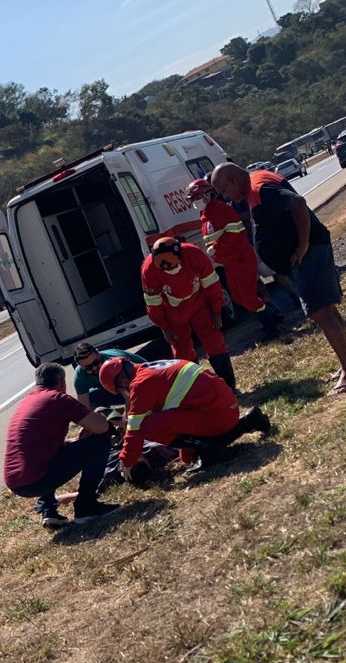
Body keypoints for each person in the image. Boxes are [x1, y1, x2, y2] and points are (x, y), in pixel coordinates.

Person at [210, 162, 346, 394]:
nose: (225, 197)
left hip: (308, 254)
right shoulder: (257, 181)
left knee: (319, 311)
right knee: (326, 310)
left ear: (233, 179)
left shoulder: (259, 189)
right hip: (305, 255)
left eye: (223, 190)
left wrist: (303, 244)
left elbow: (297, 203)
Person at [99, 356, 271, 474]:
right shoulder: (150, 370)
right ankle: (249, 421)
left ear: (122, 382)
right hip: (225, 409)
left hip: (218, 415)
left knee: (147, 425)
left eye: (122, 389)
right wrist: (188, 452)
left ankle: (210, 450)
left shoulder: (140, 385)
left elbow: (135, 428)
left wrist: (127, 461)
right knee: (158, 421)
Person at [3, 363, 121, 527]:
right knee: (102, 440)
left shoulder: (29, 400)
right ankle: (86, 507)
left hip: (16, 482)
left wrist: (75, 444)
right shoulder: (57, 398)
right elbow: (100, 428)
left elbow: (40, 445)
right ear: (61, 382)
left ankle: (48, 510)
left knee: (63, 449)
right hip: (36, 479)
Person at [188, 177, 283, 341]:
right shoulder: (205, 216)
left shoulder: (220, 210)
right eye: (193, 199)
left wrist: (216, 248)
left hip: (240, 259)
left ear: (208, 194)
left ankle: (270, 326)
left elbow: (237, 232)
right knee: (238, 297)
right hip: (229, 263)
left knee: (248, 297)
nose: (196, 202)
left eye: (197, 197)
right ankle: (271, 312)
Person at [139, 236, 239, 392]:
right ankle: (198, 390)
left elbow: (212, 284)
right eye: (164, 268)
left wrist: (216, 311)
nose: (169, 270)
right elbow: (153, 303)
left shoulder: (194, 255)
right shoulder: (148, 269)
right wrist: (164, 327)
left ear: (180, 255)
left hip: (199, 303)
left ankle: (229, 387)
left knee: (214, 341)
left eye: (172, 266)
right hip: (172, 311)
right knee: (182, 351)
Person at [71, 341, 145, 408]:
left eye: (96, 363)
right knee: (93, 397)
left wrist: (129, 420)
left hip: (142, 383)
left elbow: (129, 397)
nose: (94, 368)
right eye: (88, 367)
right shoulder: (79, 375)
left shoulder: (114, 363)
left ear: (98, 353)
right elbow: (85, 407)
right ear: (79, 365)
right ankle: (110, 420)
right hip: (117, 390)